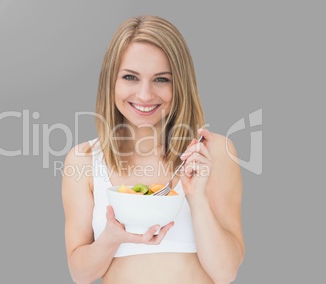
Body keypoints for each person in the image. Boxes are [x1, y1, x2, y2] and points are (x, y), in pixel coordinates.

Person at [62, 15, 244, 284]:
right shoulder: (83, 160)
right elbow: (80, 274)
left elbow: (225, 272)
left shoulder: (212, 152)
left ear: (180, 84)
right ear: (111, 81)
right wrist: (111, 238)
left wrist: (197, 198)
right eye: (130, 77)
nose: (145, 95)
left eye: (161, 80)